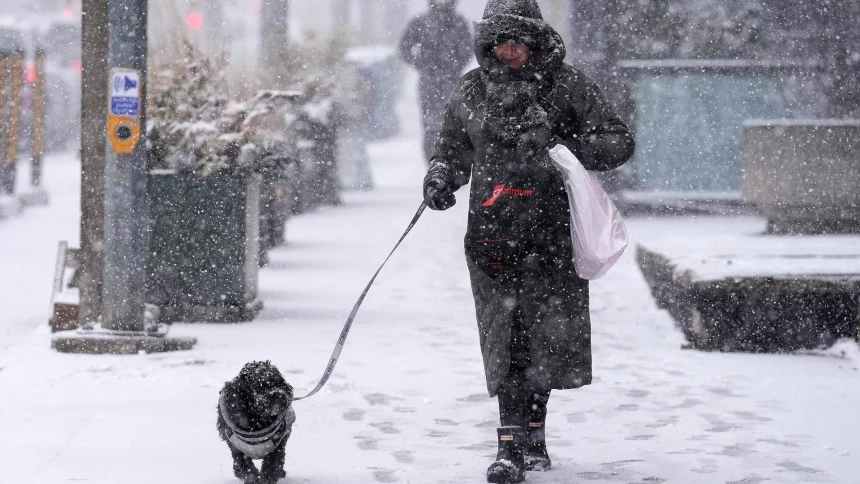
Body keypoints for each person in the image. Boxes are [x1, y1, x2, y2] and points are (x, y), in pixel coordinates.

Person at [421, 1, 635, 483]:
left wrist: (564, 144)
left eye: (518, 39)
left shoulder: (569, 85)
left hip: (556, 237)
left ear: (537, 39)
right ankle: (510, 446)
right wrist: (439, 179)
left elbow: (618, 141)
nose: (509, 49)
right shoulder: (473, 89)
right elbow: (452, 148)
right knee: (506, 339)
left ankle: (534, 434)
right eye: (499, 40)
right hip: (492, 239)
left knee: (546, 340)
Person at [399, 0, 472, 161]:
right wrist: (420, 64)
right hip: (429, 83)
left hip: (453, 82)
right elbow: (404, 47)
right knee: (431, 126)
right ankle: (433, 163)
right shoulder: (421, 22)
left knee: (454, 124)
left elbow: (468, 49)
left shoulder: (459, 23)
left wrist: (455, 65)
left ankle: (451, 161)